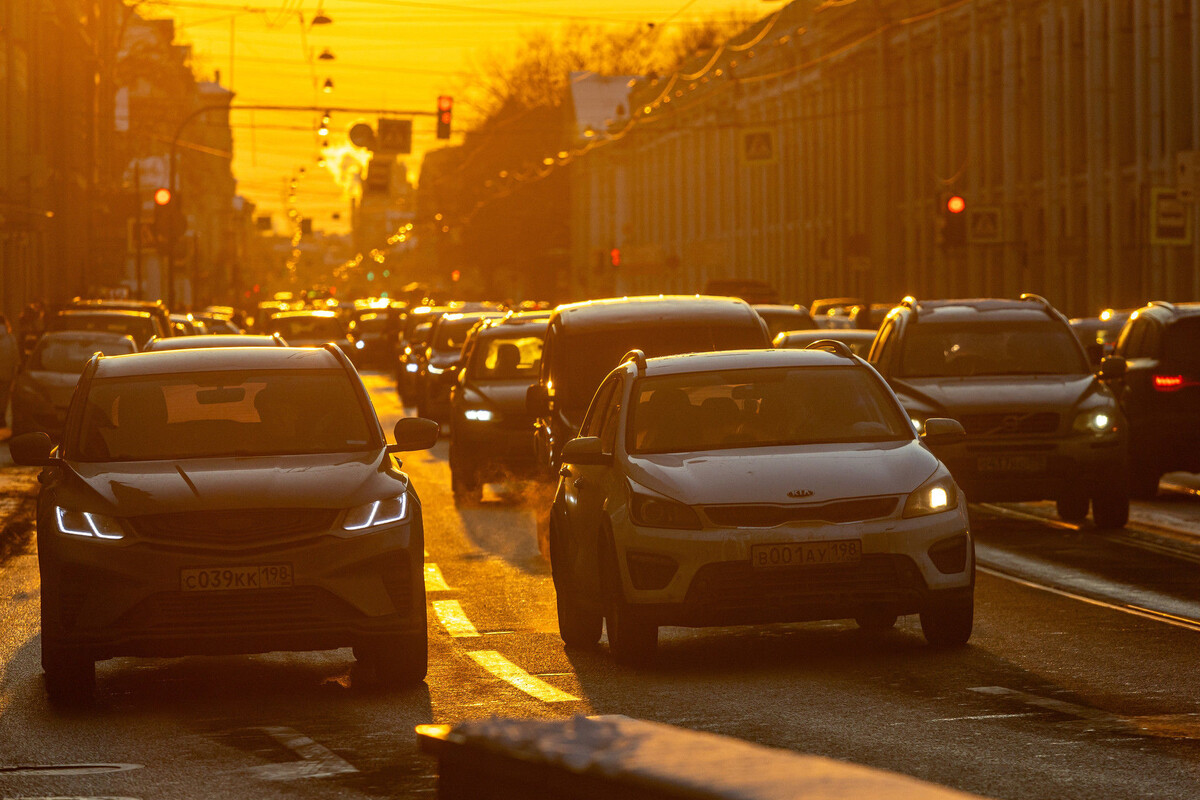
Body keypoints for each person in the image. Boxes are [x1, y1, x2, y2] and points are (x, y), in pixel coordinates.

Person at [0, 316, 17, 429]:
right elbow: (16, 358)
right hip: (6, 375)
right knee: (4, 397)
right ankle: (1, 418)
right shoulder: (10, 338)